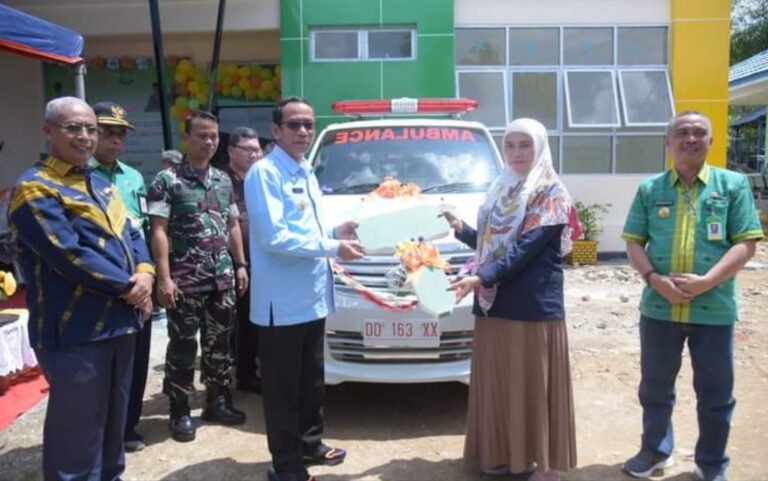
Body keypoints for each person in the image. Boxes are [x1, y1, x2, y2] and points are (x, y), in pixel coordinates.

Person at [8, 97, 155, 480]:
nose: (85, 137)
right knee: (76, 435)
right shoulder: (34, 189)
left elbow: (133, 234)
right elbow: (69, 256)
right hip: (75, 329)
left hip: (120, 323)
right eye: (74, 128)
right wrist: (130, 286)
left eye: (91, 129)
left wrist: (145, 273)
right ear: (49, 131)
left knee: (112, 425)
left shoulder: (102, 185)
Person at [621, 111, 763, 481]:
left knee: (716, 394)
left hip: (713, 309)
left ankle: (711, 464)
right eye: (681, 132)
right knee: (654, 388)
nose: (691, 138)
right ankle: (655, 452)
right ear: (668, 143)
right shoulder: (651, 189)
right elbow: (634, 242)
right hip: (659, 309)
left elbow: (746, 243)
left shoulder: (732, 185)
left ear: (712, 142)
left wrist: (706, 282)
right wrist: (654, 279)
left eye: (700, 133)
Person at [442, 118, 578, 481]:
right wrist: (462, 230)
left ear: (540, 147)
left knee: (531, 383)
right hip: (494, 303)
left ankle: (545, 466)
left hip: (530, 305)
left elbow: (524, 250)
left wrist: (480, 277)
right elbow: (493, 244)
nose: (517, 153)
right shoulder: (503, 188)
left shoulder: (550, 191)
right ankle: (504, 455)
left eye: (525, 145)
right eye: (511, 145)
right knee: (501, 383)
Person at [244, 97, 365, 481]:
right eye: (294, 124)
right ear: (275, 130)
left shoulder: (304, 169)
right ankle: (286, 465)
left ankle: (310, 444)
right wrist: (333, 247)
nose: (303, 131)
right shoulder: (264, 173)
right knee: (282, 389)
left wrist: (334, 233)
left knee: (312, 379)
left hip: (312, 297)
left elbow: (304, 230)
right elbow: (273, 236)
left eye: (308, 124)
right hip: (281, 303)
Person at [147, 110, 249, 443]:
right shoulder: (167, 181)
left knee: (220, 344)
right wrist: (164, 278)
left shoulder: (222, 180)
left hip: (221, 279)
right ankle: (179, 411)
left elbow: (232, 224)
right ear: (187, 138)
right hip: (185, 281)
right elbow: (159, 231)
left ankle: (217, 401)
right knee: (183, 347)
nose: (208, 142)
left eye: (213, 136)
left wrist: (240, 265)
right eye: (201, 135)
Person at [89, 100, 153, 452]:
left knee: (136, 359)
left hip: (138, 280)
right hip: (99, 282)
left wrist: (147, 277)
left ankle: (128, 426)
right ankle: (98, 430)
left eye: (121, 135)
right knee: (100, 362)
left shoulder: (134, 177)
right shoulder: (81, 176)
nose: (115, 141)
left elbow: (140, 229)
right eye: (107, 133)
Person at [221, 126, 264, 394]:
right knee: (226, 323)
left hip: (260, 266)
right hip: (229, 265)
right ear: (231, 151)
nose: (253, 155)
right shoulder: (221, 181)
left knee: (251, 322)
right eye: (247, 150)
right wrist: (239, 264)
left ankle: (248, 374)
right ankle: (221, 382)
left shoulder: (261, 180)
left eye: (256, 150)